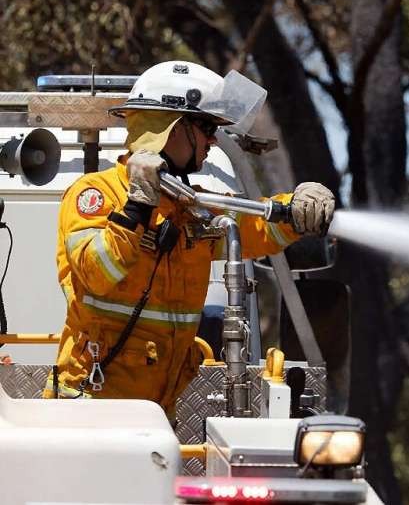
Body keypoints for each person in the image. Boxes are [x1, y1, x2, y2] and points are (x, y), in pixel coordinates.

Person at [42, 61, 335, 415]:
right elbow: (97, 272)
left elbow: (254, 228)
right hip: (89, 409)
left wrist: (296, 210)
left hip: (155, 414)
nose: (213, 139)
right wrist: (137, 206)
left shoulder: (189, 207)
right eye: (207, 127)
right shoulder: (95, 195)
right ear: (172, 129)